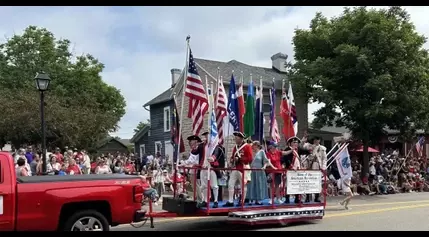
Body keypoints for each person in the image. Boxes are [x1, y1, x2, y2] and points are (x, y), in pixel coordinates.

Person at [223, 132, 253, 207]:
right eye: (235, 138)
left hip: (243, 168)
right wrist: (231, 160)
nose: (235, 139)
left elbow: (250, 159)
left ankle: (242, 200)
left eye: (236, 138)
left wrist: (239, 159)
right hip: (235, 168)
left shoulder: (247, 147)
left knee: (243, 185)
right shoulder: (235, 147)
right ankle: (230, 201)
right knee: (230, 184)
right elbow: (232, 156)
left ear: (241, 138)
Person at [282, 136, 308, 204]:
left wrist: (310, 150)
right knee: (288, 184)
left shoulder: (298, 149)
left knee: (297, 184)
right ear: (290, 143)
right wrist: (291, 166)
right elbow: (286, 159)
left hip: (297, 169)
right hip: (290, 169)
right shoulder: (287, 149)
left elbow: (305, 151)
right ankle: (287, 199)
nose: (295, 144)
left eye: (296, 143)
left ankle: (297, 198)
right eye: (294, 142)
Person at [302, 136, 327, 202]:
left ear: (319, 141)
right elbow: (303, 148)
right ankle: (307, 197)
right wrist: (304, 141)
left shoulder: (322, 148)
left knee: (317, 182)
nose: (316, 141)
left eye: (317, 140)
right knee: (308, 182)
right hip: (309, 166)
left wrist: (323, 167)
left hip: (317, 166)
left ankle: (317, 197)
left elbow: (324, 159)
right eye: (315, 140)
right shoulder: (309, 146)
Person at [180, 135, 204, 202]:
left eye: (191, 141)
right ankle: (196, 197)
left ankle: (200, 198)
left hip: (196, 168)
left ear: (196, 141)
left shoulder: (197, 149)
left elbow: (192, 160)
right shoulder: (194, 149)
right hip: (193, 168)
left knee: (197, 184)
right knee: (194, 184)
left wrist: (184, 162)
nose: (190, 143)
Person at [199, 131, 220, 208]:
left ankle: (216, 201)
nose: (205, 137)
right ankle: (205, 201)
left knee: (214, 185)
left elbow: (216, 153)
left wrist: (213, 158)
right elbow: (196, 152)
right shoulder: (202, 146)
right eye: (205, 136)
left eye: (207, 136)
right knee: (204, 185)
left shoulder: (215, 145)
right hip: (203, 167)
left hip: (211, 167)